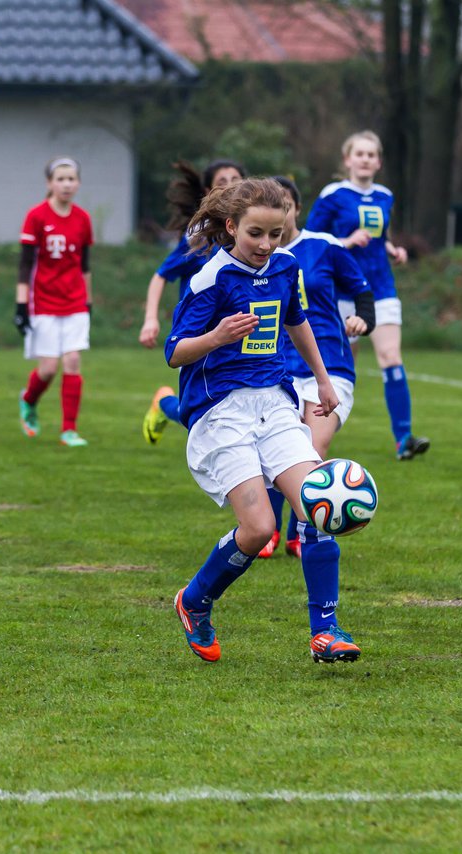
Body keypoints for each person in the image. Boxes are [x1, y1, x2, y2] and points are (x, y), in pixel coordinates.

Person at [167, 177, 362, 665]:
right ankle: (195, 601)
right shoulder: (210, 278)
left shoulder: (285, 267)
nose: (266, 244)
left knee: (315, 506)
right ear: (232, 226)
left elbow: (298, 321)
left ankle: (327, 631)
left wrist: (321, 381)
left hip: (275, 403)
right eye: (256, 233)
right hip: (221, 412)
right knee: (256, 530)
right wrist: (216, 337)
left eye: (275, 234)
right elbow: (175, 353)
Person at [258, 175, 374, 559]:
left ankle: (300, 532)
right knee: (277, 446)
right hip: (279, 369)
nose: (282, 214)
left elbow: (361, 289)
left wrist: (363, 320)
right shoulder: (259, 257)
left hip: (332, 366)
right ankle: (271, 531)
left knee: (312, 445)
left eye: (286, 206)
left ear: (294, 208)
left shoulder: (324, 246)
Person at [306, 130, 430, 461]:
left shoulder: (385, 196)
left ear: (378, 161)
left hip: (379, 288)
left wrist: (392, 249)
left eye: (371, 154)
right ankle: (320, 429)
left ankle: (403, 438)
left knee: (391, 356)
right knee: (345, 364)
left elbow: (378, 236)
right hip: (341, 291)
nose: (365, 159)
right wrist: (346, 241)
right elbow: (310, 240)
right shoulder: (333, 194)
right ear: (347, 160)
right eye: (359, 154)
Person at [139, 158, 245, 445]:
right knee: (194, 415)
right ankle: (164, 403)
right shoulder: (200, 239)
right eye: (223, 181)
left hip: (237, 332)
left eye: (237, 178)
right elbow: (161, 275)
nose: (231, 185)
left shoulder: (253, 237)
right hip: (199, 331)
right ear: (209, 191)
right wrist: (151, 318)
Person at [15, 157, 94, 447]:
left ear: (78, 183)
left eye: (71, 178)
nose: (66, 184)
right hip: (43, 301)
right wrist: (21, 305)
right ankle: (28, 400)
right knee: (48, 368)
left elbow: (85, 265)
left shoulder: (83, 219)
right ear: (49, 183)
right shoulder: (36, 216)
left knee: (72, 360)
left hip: (74, 300)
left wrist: (89, 300)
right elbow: (25, 266)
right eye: (60, 179)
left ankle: (69, 430)